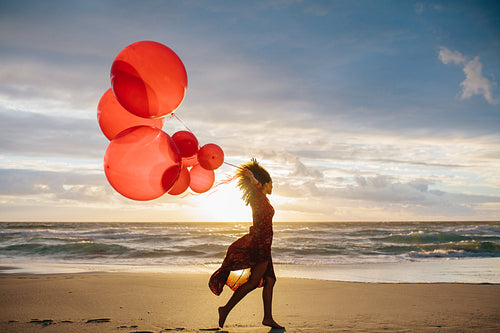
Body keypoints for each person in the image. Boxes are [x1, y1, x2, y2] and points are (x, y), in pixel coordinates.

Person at [209, 159, 284, 330]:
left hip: (264, 244)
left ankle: (267, 318)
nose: (272, 187)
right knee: (253, 282)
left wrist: (254, 174)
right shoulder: (257, 197)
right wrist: (251, 176)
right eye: (271, 183)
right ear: (263, 183)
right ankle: (225, 309)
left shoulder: (262, 198)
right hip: (259, 244)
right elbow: (256, 185)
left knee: (270, 280)